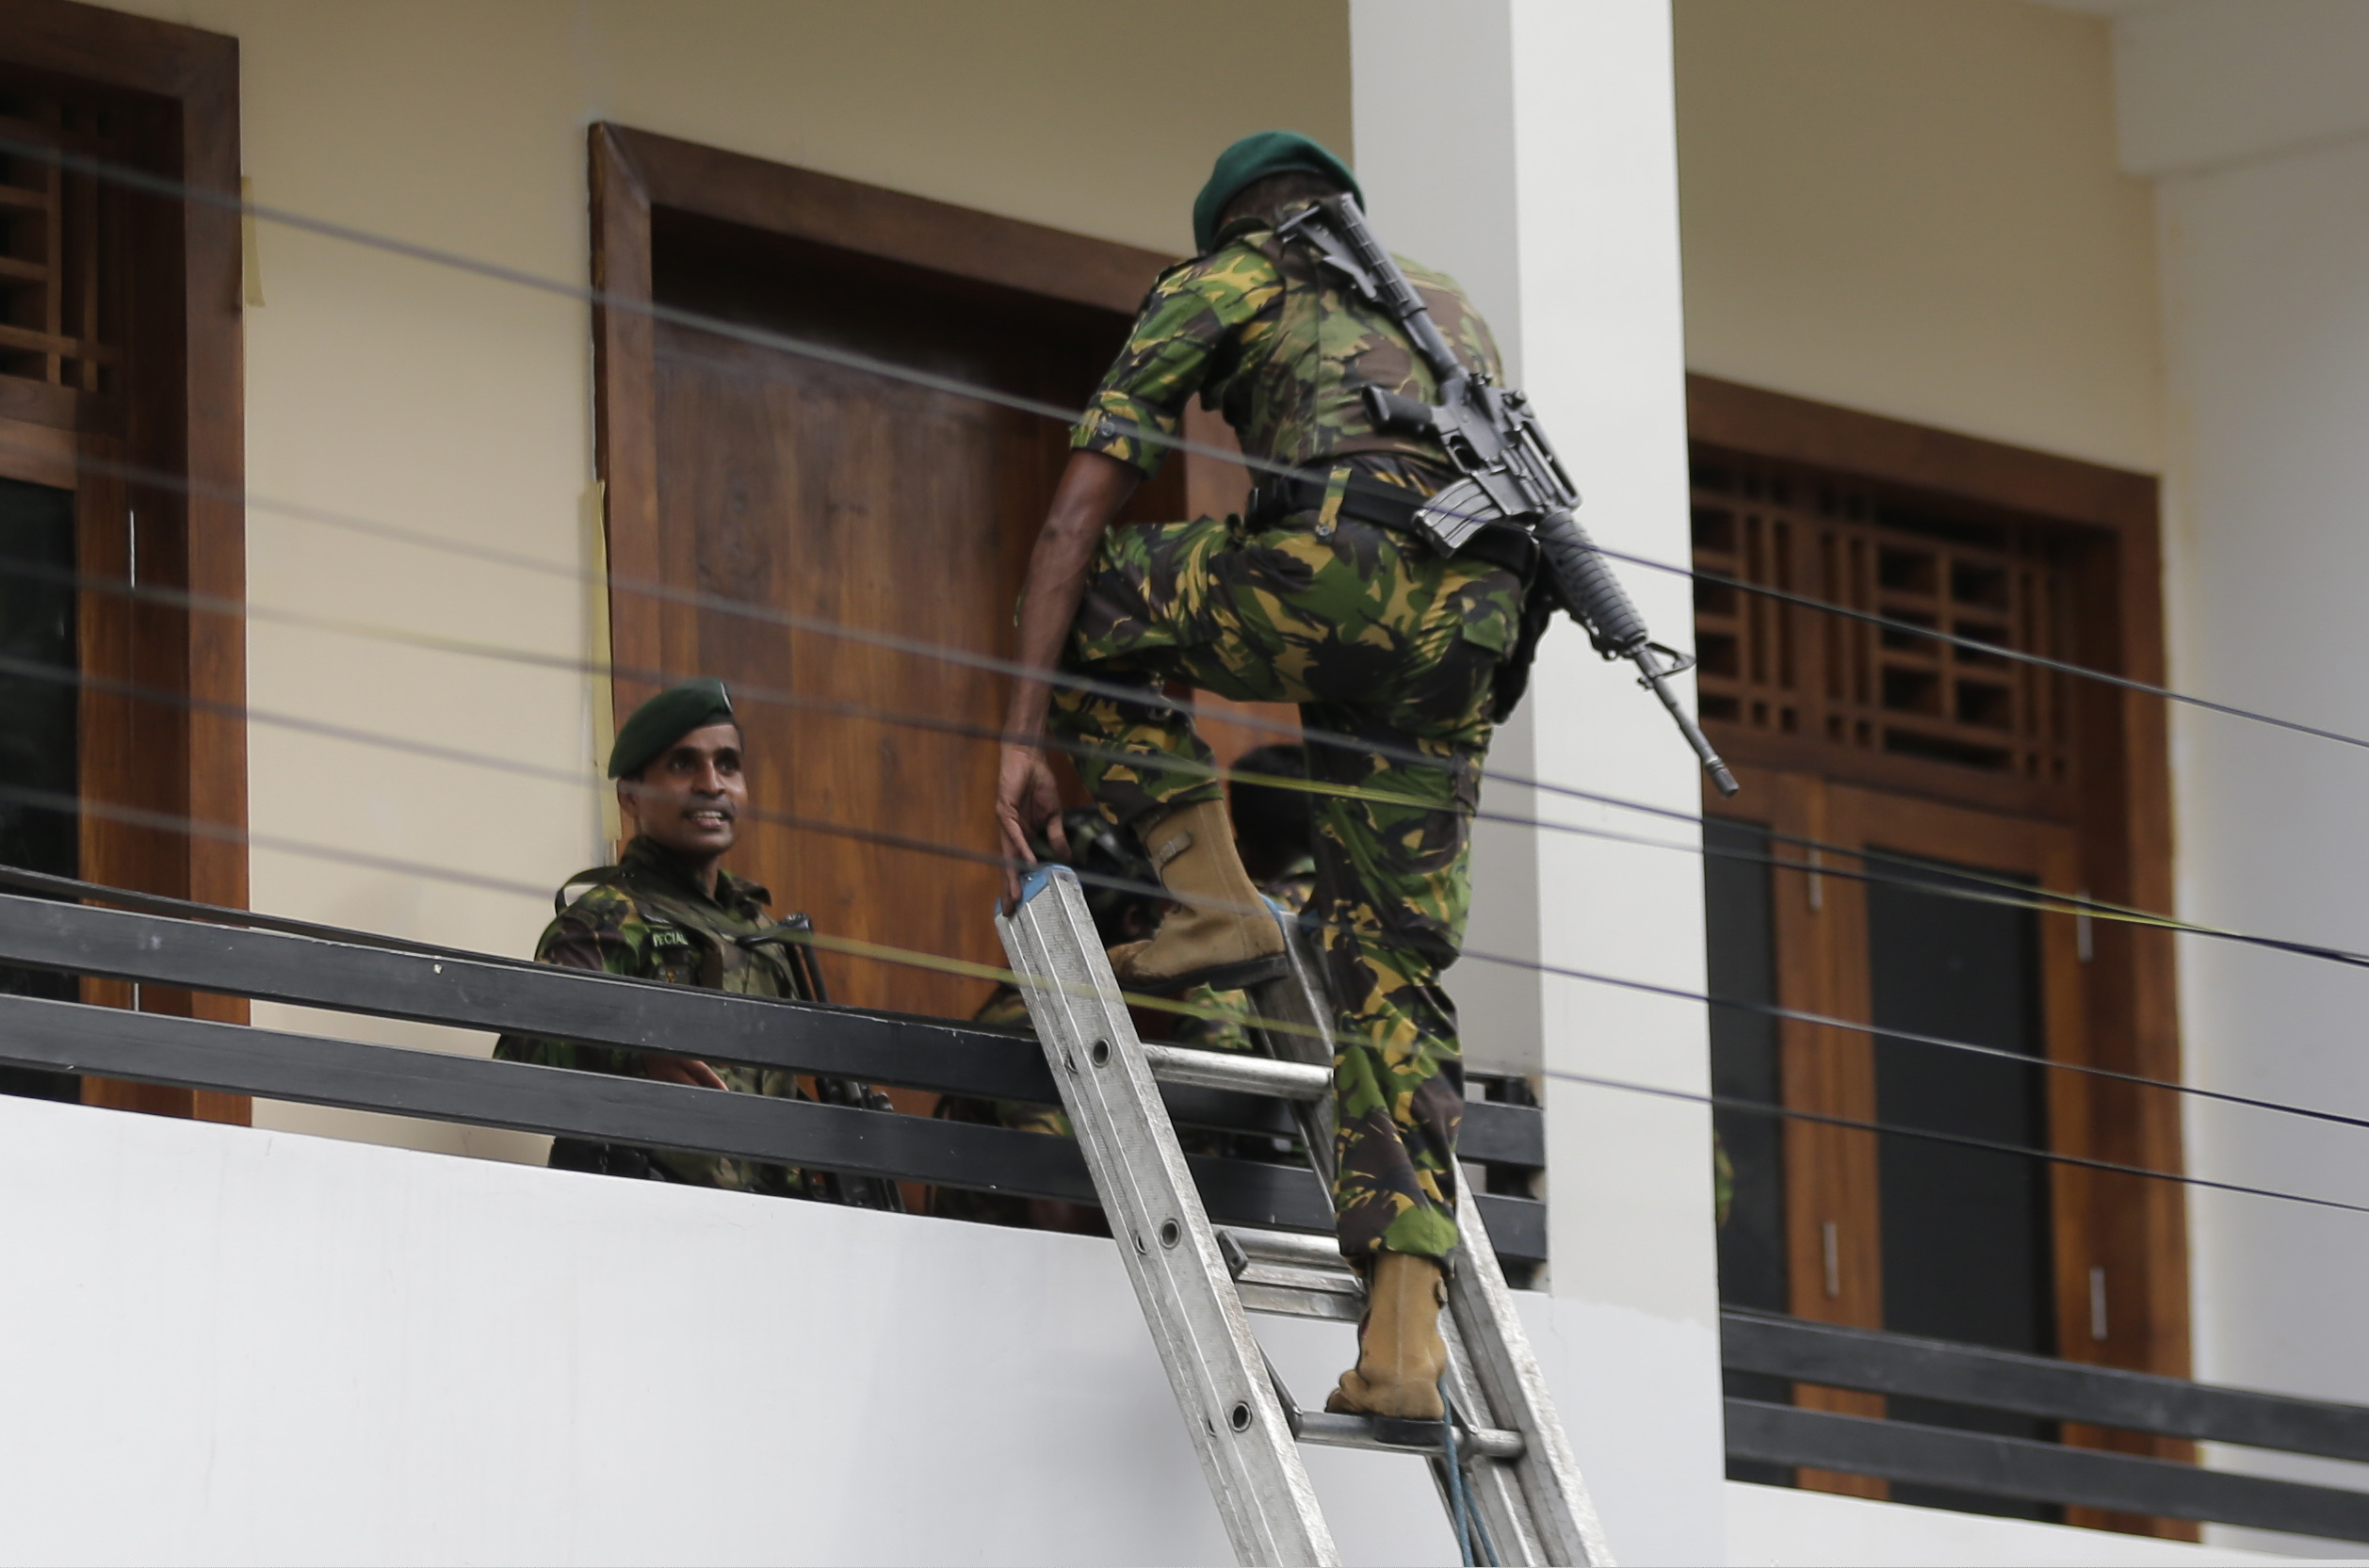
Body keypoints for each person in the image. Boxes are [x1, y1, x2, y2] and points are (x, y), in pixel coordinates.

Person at [994, 131, 1543, 1420]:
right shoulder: (1447, 310)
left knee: (1101, 593)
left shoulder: (1228, 281)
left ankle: (1206, 899)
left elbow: (1077, 516)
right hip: (1471, 634)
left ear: (1235, 222)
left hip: (1346, 586)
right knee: (1389, 967)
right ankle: (1402, 1347)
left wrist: (1018, 732)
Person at [496, 678, 888, 1205]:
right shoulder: (604, 920)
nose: (712, 784)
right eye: (683, 765)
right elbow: (521, 1064)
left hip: (772, 1227)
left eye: (728, 765)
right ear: (631, 795)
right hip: (640, 1221)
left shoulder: (764, 934)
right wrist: (635, 1064)